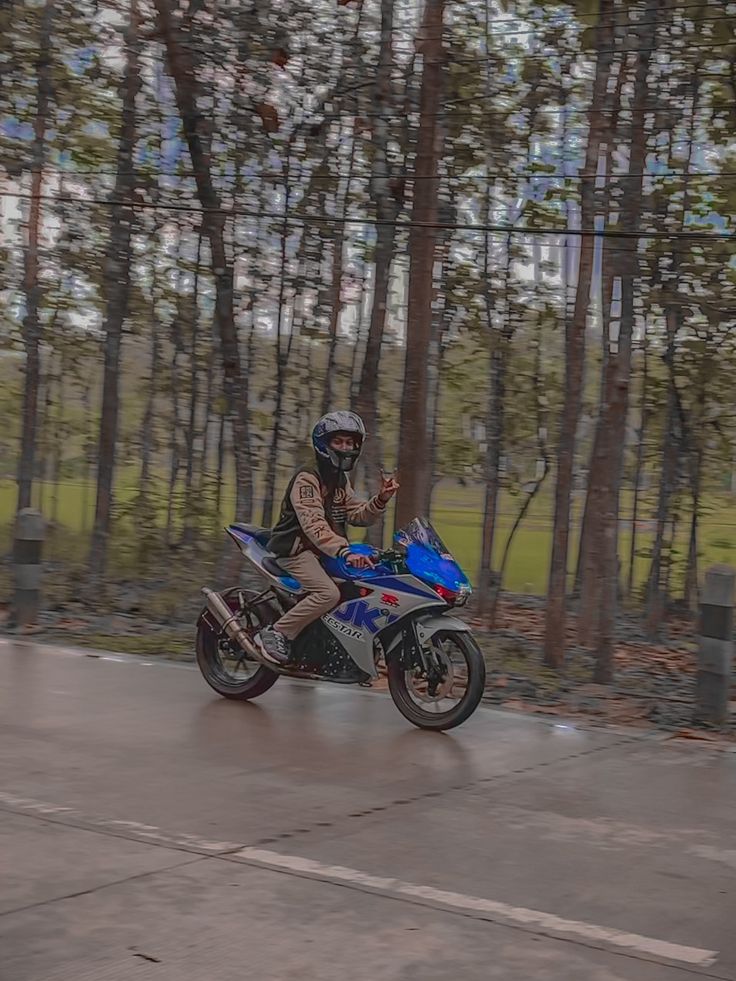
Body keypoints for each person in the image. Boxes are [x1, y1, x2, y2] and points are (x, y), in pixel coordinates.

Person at [255, 411, 400, 666]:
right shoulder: (308, 478)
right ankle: (276, 632)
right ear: (324, 444)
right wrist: (344, 551)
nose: (345, 448)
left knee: (364, 581)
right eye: (338, 442)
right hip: (297, 551)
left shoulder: (339, 479)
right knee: (328, 594)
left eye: (350, 442)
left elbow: (356, 514)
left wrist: (381, 499)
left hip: (324, 551)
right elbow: (313, 524)